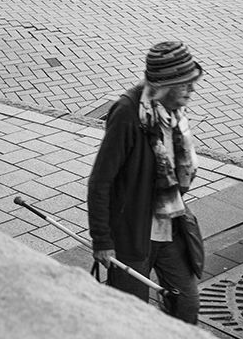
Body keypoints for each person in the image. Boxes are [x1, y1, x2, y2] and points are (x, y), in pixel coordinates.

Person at [87, 41, 204, 324]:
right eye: (184, 85)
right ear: (165, 86)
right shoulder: (128, 114)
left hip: (170, 224)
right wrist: (102, 240)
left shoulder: (173, 114)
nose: (192, 91)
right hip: (133, 233)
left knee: (187, 304)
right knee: (130, 316)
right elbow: (100, 182)